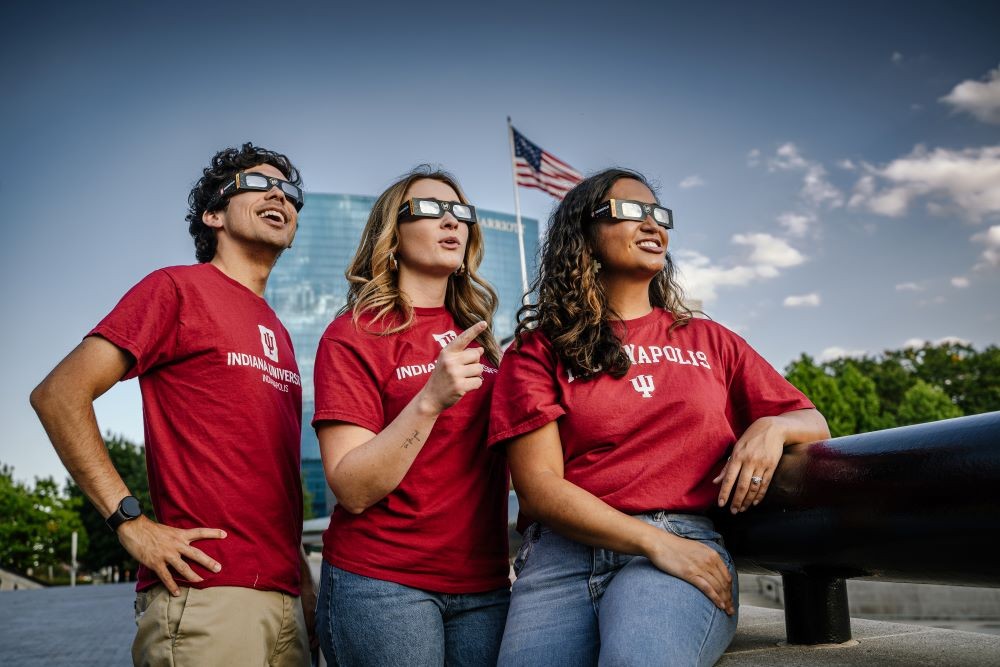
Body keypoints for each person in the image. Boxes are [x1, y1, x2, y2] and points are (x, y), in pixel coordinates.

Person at [488, 168, 831, 666]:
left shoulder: (709, 340)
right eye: (629, 211)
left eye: (658, 214)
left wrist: (772, 426)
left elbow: (812, 421)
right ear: (584, 233)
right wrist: (652, 543)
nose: (651, 224)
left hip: (681, 541)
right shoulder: (537, 351)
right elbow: (540, 486)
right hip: (562, 556)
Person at [30, 143, 316, 666]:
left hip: (286, 605)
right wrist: (130, 523)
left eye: (290, 191)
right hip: (206, 597)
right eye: (257, 183)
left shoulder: (277, 330)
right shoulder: (176, 290)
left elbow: (272, 481)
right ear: (214, 215)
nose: (280, 194)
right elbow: (58, 394)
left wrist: (305, 594)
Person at [312, 166, 511, 666]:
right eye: (429, 209)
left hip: (485, 585)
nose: (451, 222)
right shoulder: (353, 335)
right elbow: (352, 488)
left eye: (460, 213)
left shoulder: (485, 340)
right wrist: (429, 400)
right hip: (383, 583)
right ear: (392, 235)